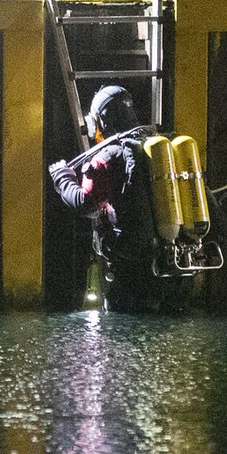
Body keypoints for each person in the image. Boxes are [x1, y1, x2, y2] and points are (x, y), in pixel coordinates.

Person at [48, 85, 189, 312]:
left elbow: (86, 203)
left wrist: (62, 178)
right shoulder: (160, 147)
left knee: (124, 328)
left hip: (131, 264)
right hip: (171, 263)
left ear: (101, 121)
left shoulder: (110, 156)